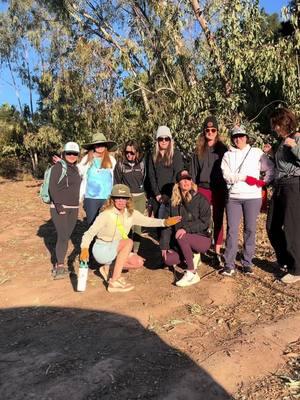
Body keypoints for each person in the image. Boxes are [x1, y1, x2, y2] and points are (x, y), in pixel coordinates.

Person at [80, 184, 181, 293]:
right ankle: (114, 282)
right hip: (103, 249)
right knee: (128, 242)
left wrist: (164, 222)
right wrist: (84, 248)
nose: (121, 201)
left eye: (124, 198)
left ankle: (108, 268)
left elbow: (148, 221)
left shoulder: (131, 214)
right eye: (117, 197)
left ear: (128, 199)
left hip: (117, 248)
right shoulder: (105, 214)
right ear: (112, 199)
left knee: (138, 262)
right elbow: (89, 234)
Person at [221, 125, 274, 276]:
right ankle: (229, 264)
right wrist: (245, 178)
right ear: (232, 139)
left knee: (250, 229)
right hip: (234, 197)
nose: (239, 139)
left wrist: (264, 182)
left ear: (246, 137)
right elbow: (227, 175)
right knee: (232, 230)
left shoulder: (256, 153)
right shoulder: (227, 155)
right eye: (236, 137)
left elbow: (270, 168)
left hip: (253, 197)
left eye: (242, 136)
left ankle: (247, 262)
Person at [160, 170, 212, 287]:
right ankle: (192, 256)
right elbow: (167, 225)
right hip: (181, 240)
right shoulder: (173, 203)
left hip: (202, 239)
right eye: (183, 179)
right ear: (178, 183)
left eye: (188, 179)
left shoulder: (200, 199)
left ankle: (192, 273)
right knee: (168, 259)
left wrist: (186, 229)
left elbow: (205, 222)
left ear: (191, 181)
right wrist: (164, 245)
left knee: (182, 235)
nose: (186, 181)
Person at [266, 107, 300, 284]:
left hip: (293, 185)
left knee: (292, 227)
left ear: (283, 122)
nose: (274, 128)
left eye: (275, 124)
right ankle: (286, 261)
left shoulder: (296, 137)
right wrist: (272, 155)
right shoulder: (282, 141)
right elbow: (281, 166)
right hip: (279, 185)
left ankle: (297, 269)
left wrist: (295, 147)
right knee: (272, 226)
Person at [189, 116, 228, 265]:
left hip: (219, 189)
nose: (210, 132)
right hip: (203, 189)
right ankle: (198, 251)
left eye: (213, 130)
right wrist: (194, 189)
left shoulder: (223, 149)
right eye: (207, 130)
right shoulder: (198, 150)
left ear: (217, 131)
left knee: (218, 220)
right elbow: (193, 173)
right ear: (204, 131)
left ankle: (217, 252)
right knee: (202, 220)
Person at [49, 142, 81, 279]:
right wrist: (58, 204)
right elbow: (52, 187)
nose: (72, 156)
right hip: (60, 207)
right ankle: (60, 267)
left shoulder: (77, 169)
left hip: (74, 208)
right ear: (64, 153)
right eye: (69, 153)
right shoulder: (57, 167)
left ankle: (59, 265)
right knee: (62, 236)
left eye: (75, 153)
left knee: (66, 236)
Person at [114, 140, 146, 252]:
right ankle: (124, 250)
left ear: (137, 152)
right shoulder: (120, 164)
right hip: (127, 199)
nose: (129, 155)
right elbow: (117, 182)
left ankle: (135, 251)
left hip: (140, 198)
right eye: (127, 152)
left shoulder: (142, 164)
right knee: (125, 225)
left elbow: (146, 180)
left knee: (137, 225)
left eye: (132, 153)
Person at [78, 132, 116, 225]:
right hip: (91, 199)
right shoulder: (87, 159)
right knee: (92, 224)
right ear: (93, 146)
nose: (100, 147)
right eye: (97, 144)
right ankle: (92, 240)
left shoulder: (111, 160)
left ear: (106, 146)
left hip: (107, 198)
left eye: (102, 144)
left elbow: (115, 177)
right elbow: (78, 171)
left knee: (107, 225)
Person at [148, 126, 184, 218]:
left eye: (166, 138)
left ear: (170, 140)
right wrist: (157, 194)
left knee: (170, 223)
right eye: (161, 139)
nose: (164, 141)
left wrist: (167, 195)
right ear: (157, 141)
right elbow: (151, 175)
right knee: (158, 226)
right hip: (157, 196)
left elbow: (177, 174)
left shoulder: (176, 154)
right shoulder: (153, 155)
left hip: (173, 194)